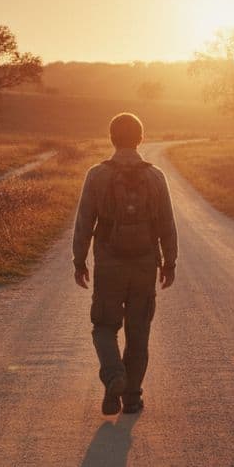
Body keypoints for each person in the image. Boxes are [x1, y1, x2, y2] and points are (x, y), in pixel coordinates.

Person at [72, 112, 178, 416]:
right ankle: (132, 398)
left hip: (109, 264)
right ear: (141, 138)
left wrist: (79, 261)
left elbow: (83, 223)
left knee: (104, 326)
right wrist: (169, 263)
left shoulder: (97, 175)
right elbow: (167, 225)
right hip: (145, 264)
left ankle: (114, 375)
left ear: (112, 138)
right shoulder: (155, 176)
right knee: (138, 331)